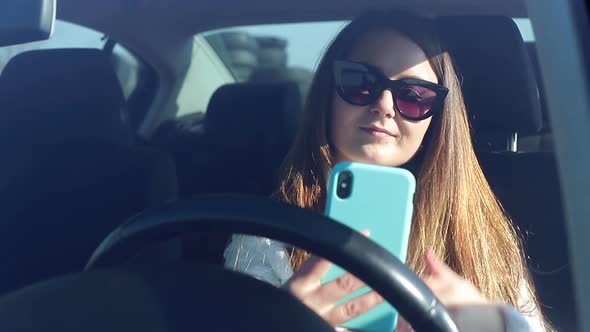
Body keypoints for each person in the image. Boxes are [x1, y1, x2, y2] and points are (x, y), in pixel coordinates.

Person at [223, 9, 552, 332]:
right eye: (360, 83)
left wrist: (497, 325)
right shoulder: (268, 239)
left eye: (414, 97)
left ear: (437, 120)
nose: (383, 105)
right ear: (328, 95)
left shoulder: (481, 238)